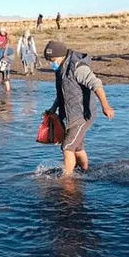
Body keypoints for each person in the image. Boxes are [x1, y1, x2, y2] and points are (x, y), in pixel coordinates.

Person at [43, 40, 115, 176]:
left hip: (83, 115)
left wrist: (105, 106)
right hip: (71, 114)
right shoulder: (61, 69)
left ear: (61, 56)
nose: (50, 63)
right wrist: (53, 108)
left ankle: (67, 180)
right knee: (77, 147)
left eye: (52, 60)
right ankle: (85, 171)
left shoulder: (77, 67)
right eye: (48, 60)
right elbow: (63, 93)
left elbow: (96, 84)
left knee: (67, 147)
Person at [0, 27, 13, 91]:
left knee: (5, 77)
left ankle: (8, 90)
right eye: (1, 31)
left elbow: (9, 54)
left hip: (3, 62)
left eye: (3, 31)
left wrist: (5, 57)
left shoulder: (6, 47)